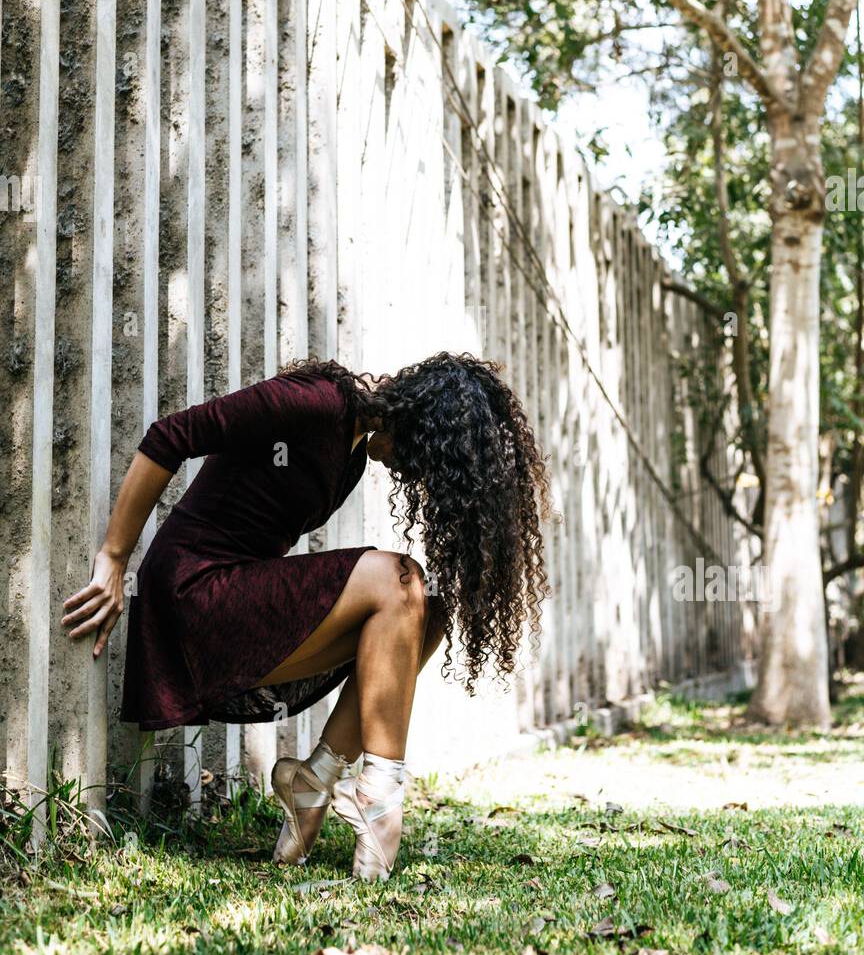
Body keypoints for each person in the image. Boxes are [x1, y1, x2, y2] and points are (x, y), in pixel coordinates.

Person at [62, 350, 552, 881]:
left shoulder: (352, 456)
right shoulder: (314, 401)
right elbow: (170, 435)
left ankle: (316, 779)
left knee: (429, 609)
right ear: (419, 422)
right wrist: (113, 558)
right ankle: (381, 795)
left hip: (238, 605)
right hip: (192, 597)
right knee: (401, 579)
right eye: (426, 458)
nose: (415, 472)